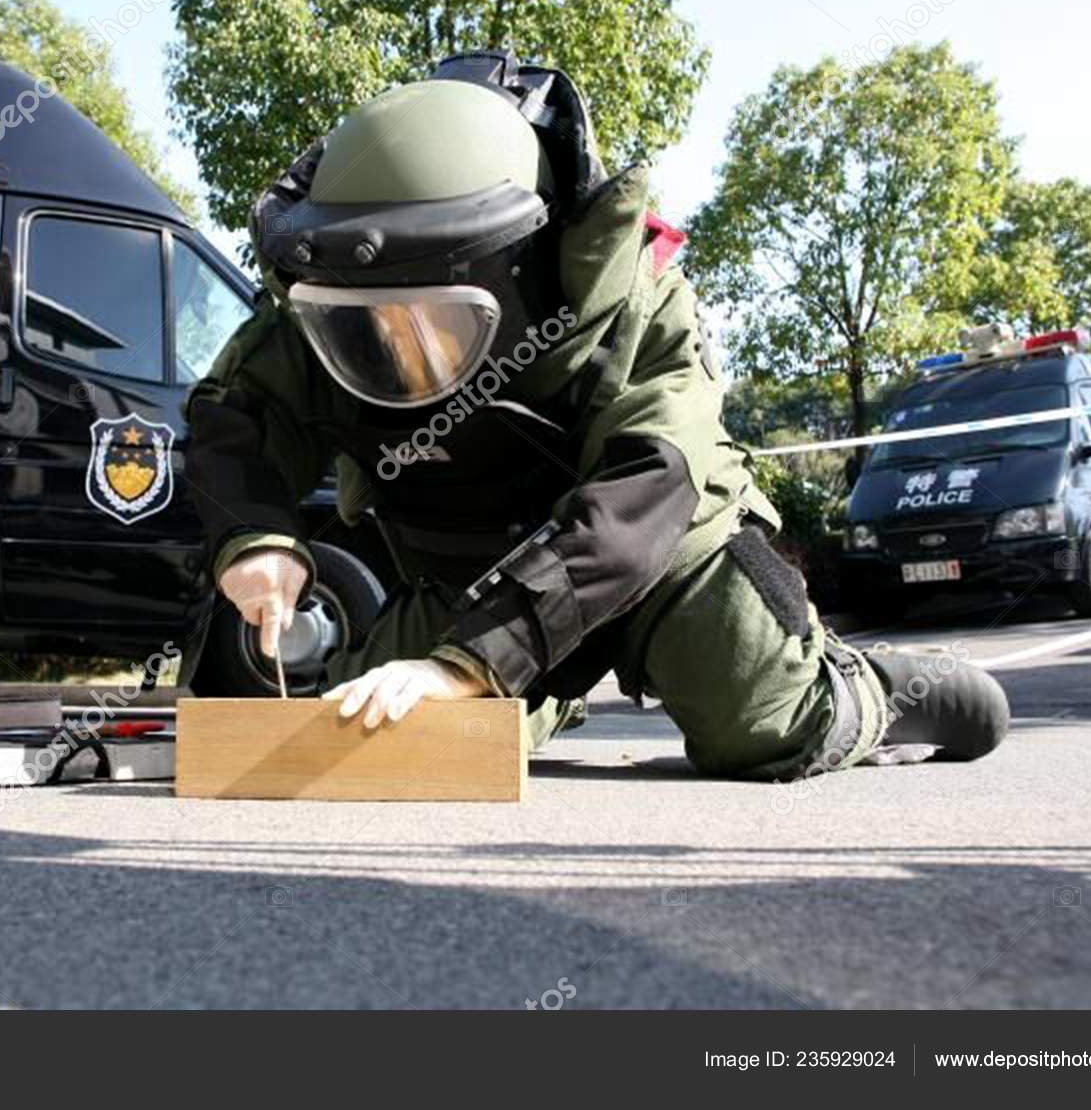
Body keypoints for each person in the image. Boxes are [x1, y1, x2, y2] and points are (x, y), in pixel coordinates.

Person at [185, 51, 1008, 779]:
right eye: (371, 326)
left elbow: (641, 499)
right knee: (377, 738)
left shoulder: (644, 308)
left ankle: (871, 690)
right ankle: (539, 688)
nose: (404, 353)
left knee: (758, 728)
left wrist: (466, 664)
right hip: (472, 569)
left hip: (664, 557)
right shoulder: (331, 299)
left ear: (515, 273)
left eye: (436, 321)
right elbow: (236, 417)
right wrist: (255, 540)